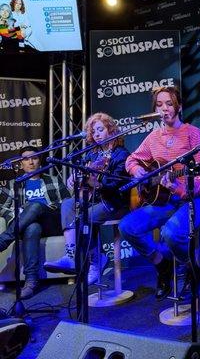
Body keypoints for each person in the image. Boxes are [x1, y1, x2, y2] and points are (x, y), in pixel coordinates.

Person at [118, 86, 200, 300]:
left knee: (170, 233)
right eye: (159, 105)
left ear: (178, 106)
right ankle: (162, 266)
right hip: (166, 201)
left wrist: (179, 188)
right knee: (127, 227)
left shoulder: (193, 133)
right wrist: (137, 169)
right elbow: (131, 159)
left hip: (197, 200)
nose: (164, 109)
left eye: (169, 104)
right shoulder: (153, 137)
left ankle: (193, 271)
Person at [44, 112, 130, 285]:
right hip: (94, 199)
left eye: (100, 129)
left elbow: (113, 186)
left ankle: (95, 261)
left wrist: (92, 181)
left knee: (84, 217)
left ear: (111, 130)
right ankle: (70, 256)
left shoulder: (121, 154)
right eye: (94, 131)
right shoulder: (92, 154)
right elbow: (81, 172)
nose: (96, 134)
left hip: (113, 201)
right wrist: (74, 177)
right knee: (68, 204)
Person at [0, 147, 69, 299]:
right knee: (32, 227)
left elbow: (67, 203)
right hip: (27, 225)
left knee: (35, 206)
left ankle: (4, 240)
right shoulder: (14, 184)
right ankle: (31, 281)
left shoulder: (54, 180)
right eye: (26, 159)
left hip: (51, 222)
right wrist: (17, 214)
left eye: (35, 157)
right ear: (21, 164)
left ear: (40, 160)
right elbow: (2, 207)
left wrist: (47, 208)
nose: (31, 162)